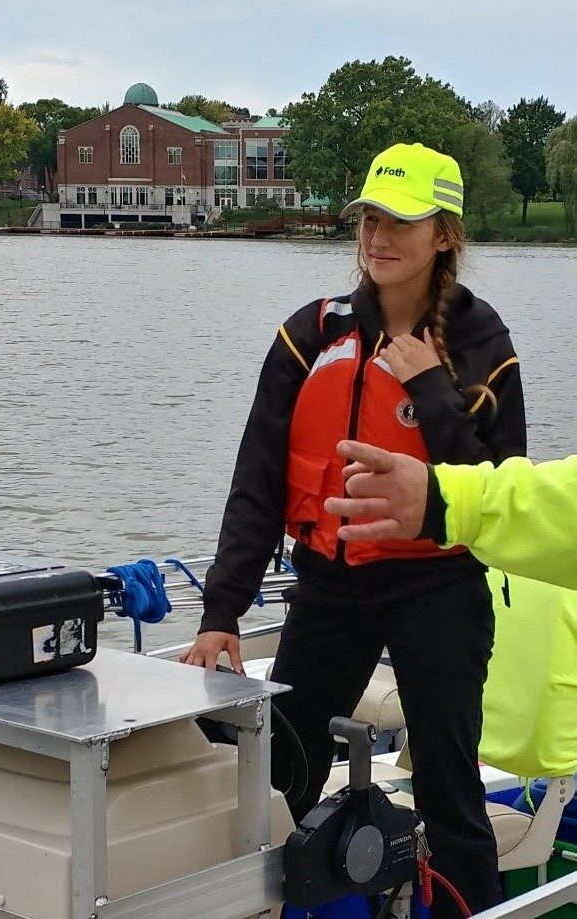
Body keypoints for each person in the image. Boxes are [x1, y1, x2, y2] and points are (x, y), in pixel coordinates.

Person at [179, 142, 526, 916]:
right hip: (332, 585)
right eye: (369, 218)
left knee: (448, 786)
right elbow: (257, 481)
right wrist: (220, 611)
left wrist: (430, 386)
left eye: (401, 221)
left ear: (444, 234)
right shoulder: (309, 334)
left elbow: (505, 489)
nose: (378, 237)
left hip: (439, 586)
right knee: (283, 771)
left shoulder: (481, 343)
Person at [327, 440, 577, 590]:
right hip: (330, 576)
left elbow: (503, 452)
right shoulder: (317, 351)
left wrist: (442, 498)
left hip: (446, 577)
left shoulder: (481, 355)